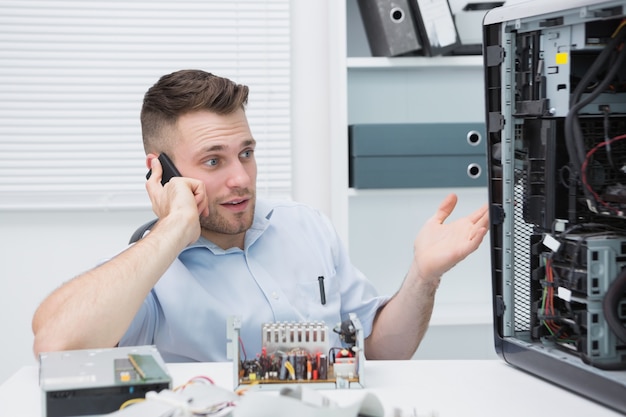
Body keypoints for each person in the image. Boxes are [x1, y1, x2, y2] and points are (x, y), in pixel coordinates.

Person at [31, 69, 489, 362]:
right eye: (214, 161)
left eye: (246, 153)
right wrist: (171, 228)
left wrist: (424, 276)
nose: (240, 179)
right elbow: (54, 343)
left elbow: (381, 352)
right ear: (161, 171)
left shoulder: (306, 225)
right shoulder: (151, 270)